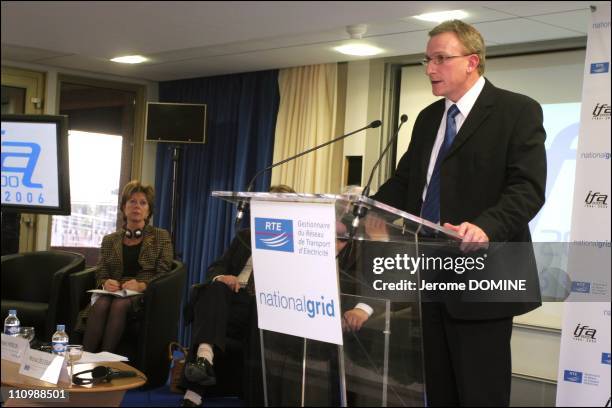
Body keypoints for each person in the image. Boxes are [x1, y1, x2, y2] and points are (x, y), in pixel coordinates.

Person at [373, 20, 546, 406]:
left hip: (484, 275)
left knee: (480, 393)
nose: (430, 68)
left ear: (472, 61)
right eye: (427, 60)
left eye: (440, 59)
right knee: (439, 391)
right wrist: (359, 210)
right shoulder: (428, 118)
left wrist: (485, 226)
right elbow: (405, 184)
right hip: (432, 274)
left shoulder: (516, 111)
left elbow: (527, 189)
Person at [180, 184, 374, 407]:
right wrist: (223, 277)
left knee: (228, 305)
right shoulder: (245, 235)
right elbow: (217, 266)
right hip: (232, 296)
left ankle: (195, 389)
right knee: (214, 289)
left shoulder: (297, 240)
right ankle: (205, 357)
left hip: (265, 303)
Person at [76, 180, 173, 353]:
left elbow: (165, 272)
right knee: (101, 303)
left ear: (148, 210)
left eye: (143, 203)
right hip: (114, 290)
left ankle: (104, 361)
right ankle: (85, 357)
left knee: (119, 304)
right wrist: (105, 282)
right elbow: (102, 270)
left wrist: (142, 285)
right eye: (132, 201)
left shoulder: (160, 236)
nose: (137, 206)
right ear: (123, 207)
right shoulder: (110, 239)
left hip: (143, 295)